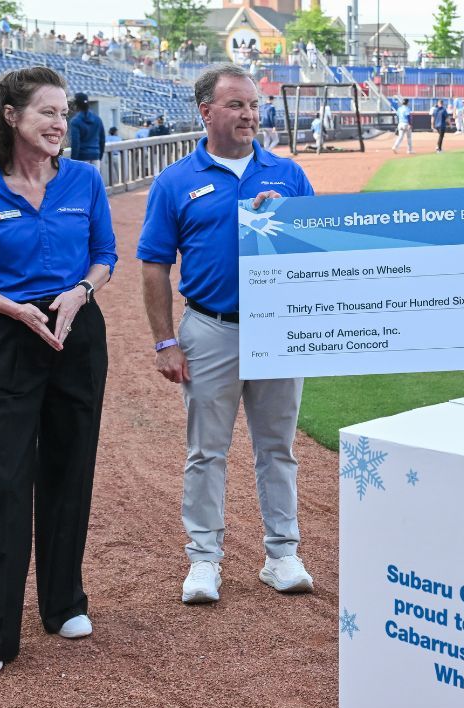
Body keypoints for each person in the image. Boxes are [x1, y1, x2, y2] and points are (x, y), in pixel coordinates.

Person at [0, 66, 117, 678]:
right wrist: (12, 307)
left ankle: (64, 601)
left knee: (70, 469)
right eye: (47, 111)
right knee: (4, 482)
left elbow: (105, 254)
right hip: (9, 336)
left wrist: (80, 292)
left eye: (63, 111)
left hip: (76, 328)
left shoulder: (84, 180)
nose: (58, 123)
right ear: (11, 116)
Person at [137, 63, 315, 605]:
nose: (249, 114)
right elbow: (153, 265)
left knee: (277, 448)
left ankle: (282, 553)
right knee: (206, 452)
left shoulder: (287, 175)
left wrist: (285, 222)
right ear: (206, 111)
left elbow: (321, 249)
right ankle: (204, 560)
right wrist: (166, 340)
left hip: (278, 328)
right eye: (236, 105)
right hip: (211, 327)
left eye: (254, 105)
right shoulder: (175, 181)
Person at [68, 92, 105, 170]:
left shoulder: (75, 121)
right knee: (94, 181)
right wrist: (99, 156)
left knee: (83, 181)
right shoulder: (97, 119)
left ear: (76, 105)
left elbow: (75, 143)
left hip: (82, 157)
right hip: (96, 156)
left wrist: (73, 162)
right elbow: (102, 140)